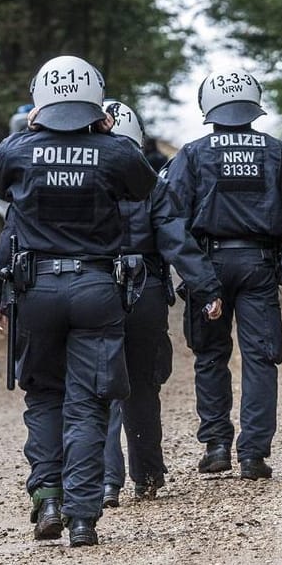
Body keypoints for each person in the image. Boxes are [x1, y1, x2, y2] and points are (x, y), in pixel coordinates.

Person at [0, 55, 158, 547]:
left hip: (34, 289)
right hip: (97, 288)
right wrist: (105, 133)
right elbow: (144, 184)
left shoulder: (20, 150)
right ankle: (83, 517)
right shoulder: (116, 151)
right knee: (89, 401)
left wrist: (31, 128)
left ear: (39, 102)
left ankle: (49, 497)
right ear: (96, 103)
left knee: (44, 395)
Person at [155, 70, 282, 481]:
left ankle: (215, 446)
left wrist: (193, 275)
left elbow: (170, 219)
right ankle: (254, 454)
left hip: (206, 265)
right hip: (259, 267)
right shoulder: (279, 153)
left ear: (207, 106)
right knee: (261, 358)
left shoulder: (191, 155)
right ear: (254, 104)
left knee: (210, 354)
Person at [98, 100, 191, 507]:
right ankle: (148, 475)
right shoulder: (154, 184)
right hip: (146, 290)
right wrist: (205, 286)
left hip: (95, 288)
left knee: (98, 387)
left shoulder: (80, 181)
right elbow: (176, 242)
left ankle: (104, 481)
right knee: (143, 386)